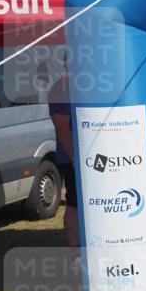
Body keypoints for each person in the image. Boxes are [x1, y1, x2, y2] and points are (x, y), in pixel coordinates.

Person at [47, 75, 79, 247]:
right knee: (75, 202)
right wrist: (74, 157)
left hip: (95, 158)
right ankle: (76, 250)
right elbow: (61, 125)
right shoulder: (62, 87)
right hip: (72, 158)